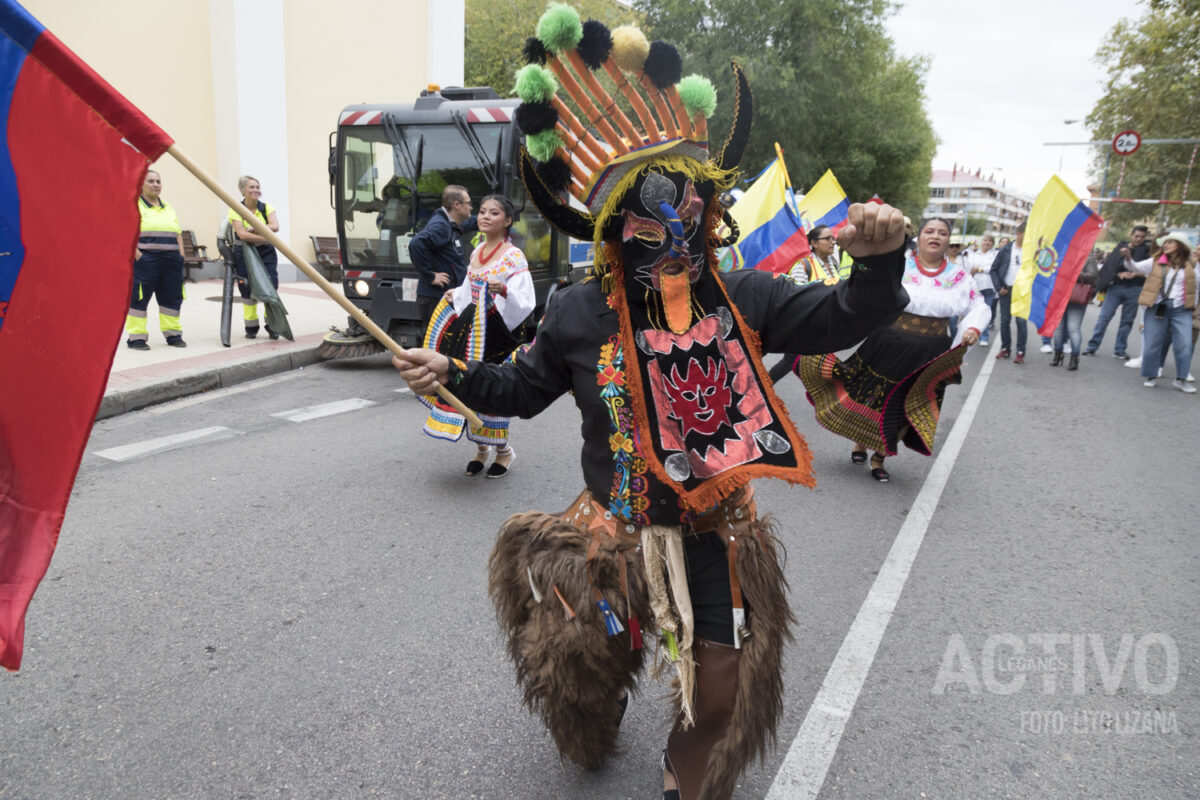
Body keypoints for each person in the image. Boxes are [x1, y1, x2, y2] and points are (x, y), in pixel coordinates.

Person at [395, 17, 908, 798]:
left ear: (709, 211)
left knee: (720, 690)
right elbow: (523, 392)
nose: (673, 234)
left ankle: (684, 782)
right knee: (579, 672)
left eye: (690, 213)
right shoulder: (576, 313)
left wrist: (877, 269)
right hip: (610, 534)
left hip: (714, 535)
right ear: (610, 232)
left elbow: (840, 316)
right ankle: (596, 715)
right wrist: (452, 372)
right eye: (648, 221)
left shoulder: (740, 296)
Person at [796, 217, 988, 482]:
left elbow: (978, 306)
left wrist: (972, 329)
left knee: (908, 402)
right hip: (889, 340)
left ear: (948, 240)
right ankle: (860, 443)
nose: (935, 236)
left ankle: (880, 456)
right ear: (919, 238)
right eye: (929, 231)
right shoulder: (900, 265)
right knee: (870, 394)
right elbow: (868, 290)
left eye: (942, 233)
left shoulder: (959, 277)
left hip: (930, 352)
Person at [418, 195, 534, 476]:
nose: (484, 217)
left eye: (494, 213)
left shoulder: (513, 256)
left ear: (507, 220)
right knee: (465, 385)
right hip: (470, 330)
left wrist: (503, 290)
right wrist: (455, 294)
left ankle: (504, 451)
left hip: (496, 334)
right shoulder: (477, 250)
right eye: (482, 211)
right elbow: (469, 287)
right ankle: (482, 449)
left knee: (489, 390)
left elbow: (526, 300)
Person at [769, 225, 840, 381]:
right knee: (788, 363)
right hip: (804, 326)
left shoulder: (833, 262)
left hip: (824, 326)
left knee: (820, 366)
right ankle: (762, 387)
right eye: (827, 239)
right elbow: (793, 298)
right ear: (814, 243)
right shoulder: (803, 266)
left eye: (833, 238)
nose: (833, 242)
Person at [1127, 232, 1197, 392]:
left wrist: (1194, 307)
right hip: (1157, 307)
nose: (1165, 245)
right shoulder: (1155, 262)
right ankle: (1151, 375)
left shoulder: (1191, 265)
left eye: (1169, 242)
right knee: (1152, 344)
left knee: (1185, 344)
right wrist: (1128, 258)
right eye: (1164, 243)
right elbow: (1135, 267)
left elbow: (1197, 286)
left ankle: (1181, 379)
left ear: (1180, 246)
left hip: (1181, 310)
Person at [126, 169, 186, 350]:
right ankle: (136, 338)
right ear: (141, 184)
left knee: (172, 297)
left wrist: (180, 255)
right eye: (151, 181)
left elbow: (178, 232)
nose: (155, 185)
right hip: (146, 261)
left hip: (171, 261)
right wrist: (139, 256)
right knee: (139, 298)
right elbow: (125, 233)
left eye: (158, 181)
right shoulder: (134, 205)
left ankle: (173, 334)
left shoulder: (167, 207)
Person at [409, 185, 476, 333]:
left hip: (445, 296)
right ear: (457, 205)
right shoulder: (441, 226)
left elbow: (469, 223)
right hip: (435, 298)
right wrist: (430, 275)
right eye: (468, 203)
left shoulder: (452, 224)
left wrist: (487, 219)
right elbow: (416, 244)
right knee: (436, 345)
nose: (471, 207)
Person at [1082, 225, 1151, 359]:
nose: (1139, 239)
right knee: (1104, 318)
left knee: (1127, 321)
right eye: (1137, 236)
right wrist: (1118, 275)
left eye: (1142, 237)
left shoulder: (1147, 251)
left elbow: (1151, 272)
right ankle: (1092, 346)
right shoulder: (1121, 247)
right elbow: (1109, 266)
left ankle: (1119, 350)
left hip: (1135, 289)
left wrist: (1136, 274)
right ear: (1131, 235)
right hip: (1116, 287)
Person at [227, 175, 280, 339]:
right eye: (251, 187)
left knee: (270, 286)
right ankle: (251, 328)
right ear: (243, 190)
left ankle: (273, 326)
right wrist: (265, 236)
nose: (256, 190)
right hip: (244, 253)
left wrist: (254, 228)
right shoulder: (235, 209)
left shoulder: (266, 208)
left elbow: (275, 226)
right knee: (247, 288)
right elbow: (241, 234)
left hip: (266, 253)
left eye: (257, 187)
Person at [1049, 253, 1099, 370]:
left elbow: (1093, 276)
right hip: (1059, 294)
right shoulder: (1060, 253)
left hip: (1077, 295)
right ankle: (1057, 354)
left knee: (1073, 327)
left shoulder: (1088, 257)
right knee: (1058, 327)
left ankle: (1074, 357)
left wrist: (1075, 275)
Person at [990, 221, 1028, 363]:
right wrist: (999, 287)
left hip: (1022, 292)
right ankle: (1005, 348)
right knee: (1005, 321)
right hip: (1006, 289)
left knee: (1021, 322)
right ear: (1018, 234)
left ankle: (1020, 351)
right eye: (1026, 234)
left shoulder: (1031, 251)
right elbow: (994, 269)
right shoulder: (1005, 250)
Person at [964, 233, 996, 346]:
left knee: (985, 312)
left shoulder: (994, 255)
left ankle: (984, 337)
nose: (987, 243)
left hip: (988, 286)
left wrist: (980, 269)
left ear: (992, 244)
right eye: (985, 240)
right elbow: (968, 266)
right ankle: (969, 334)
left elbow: (993, 268)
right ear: (982, 242)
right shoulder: (973, 254)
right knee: (971, 312)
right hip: (974, 286)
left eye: (990, 241)